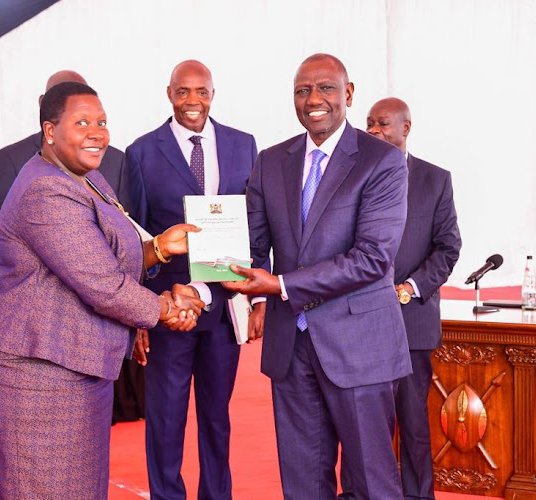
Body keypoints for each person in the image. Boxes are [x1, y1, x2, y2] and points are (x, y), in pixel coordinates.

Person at [0, 82, 205, 499]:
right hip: (27, 367)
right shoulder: (46, 189)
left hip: (67, 358)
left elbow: (101, 256)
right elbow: (102, 284)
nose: (97, 133)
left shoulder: (86, 177)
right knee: (34, 489)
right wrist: (165, 308)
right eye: (82, 123)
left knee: (75, 487)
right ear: (50, 131)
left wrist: (160, 247)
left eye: (102, 123)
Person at [224, 53, 412, 498]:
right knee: (303, 484)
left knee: (371, 484)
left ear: (348, 94)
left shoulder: (382, 161)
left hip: (360, 347)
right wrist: (207, 269)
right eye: (302, 90)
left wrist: (280, 286)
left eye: (326, 88)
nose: (314, 99)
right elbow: (253, 245)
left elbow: (372, 259)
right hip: (291, 348)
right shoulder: (271, 161)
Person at [124, 60, 258, 499]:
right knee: (166, 420)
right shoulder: (142, 152)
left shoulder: (243, 144)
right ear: (169, 94)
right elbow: (134, 237)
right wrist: (141, 313)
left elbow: (257, 223)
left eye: (201, 91)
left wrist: (259, 299)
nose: (192, 101)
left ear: (213, 94)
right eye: (183, 92)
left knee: (217, 419)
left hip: (225, 307)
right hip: (171, 311)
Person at [366, 97, 462, 500]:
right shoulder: (353, 176)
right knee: (364, 425)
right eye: (369, 124)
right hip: (359, 324)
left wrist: (409, 288)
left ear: (406, 128)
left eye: (383, 123)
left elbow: (448, 248)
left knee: (413, 423)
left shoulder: (434, 180)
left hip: (411, 323)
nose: (374, 131)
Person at [0, 70, 126, 258]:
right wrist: (49, 249)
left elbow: (129, 229)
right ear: (43, 103)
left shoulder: (117, 160)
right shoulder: (11, 158)